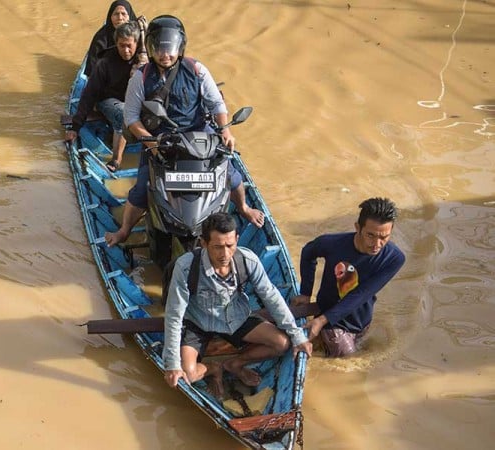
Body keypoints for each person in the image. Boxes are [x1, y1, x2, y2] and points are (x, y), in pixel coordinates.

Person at [104, 15, 264, 247]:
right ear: (150, 48)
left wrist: (225, 132)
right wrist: (151, 143)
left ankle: (244, 207)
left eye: (169, 49)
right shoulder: (140, 78)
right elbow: (131, 118)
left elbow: (216, 105)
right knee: (141, 189)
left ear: (179, 47)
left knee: (232, 176)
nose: (165, 54)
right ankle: (124, 230)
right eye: (159, 49)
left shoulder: (197, 70)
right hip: (160, 140)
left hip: (200, 136)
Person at [162, 212, 312, 398]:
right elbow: (174, 315)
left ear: (237, 240)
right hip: (198, 323)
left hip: (236, 319)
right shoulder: (186, 267)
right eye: (217, 247)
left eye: (230, 245)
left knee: (281, 343)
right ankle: (212, 368)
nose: (224, 254)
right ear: (204, 243)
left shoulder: (247, 260)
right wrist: (172, 364)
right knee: (187, 375)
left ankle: (235, 363)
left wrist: (297, 335)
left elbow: (271, 297)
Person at [292, 197, 406, 357]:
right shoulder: (333, 244)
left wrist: (321, 320)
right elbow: (308, 253)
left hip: (360, 321)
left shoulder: (394, 258)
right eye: (371, 235)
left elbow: (362, 294)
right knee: (345, 357)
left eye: (384, 237)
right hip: (328, 313)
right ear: (357, 228)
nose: (377, 244)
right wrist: (305, 293)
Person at [66, 22, 143, 172]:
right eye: (122, 46)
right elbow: (89, 94)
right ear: (116, 44)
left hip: (133, 99)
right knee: (123, 113)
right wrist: (75, 127)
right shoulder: (105, 63)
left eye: (129, 46)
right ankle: (116, 160)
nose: (126, 50)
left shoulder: (143, 61)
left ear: (137, 43)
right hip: (107, 100)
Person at [84, 1, 139, 77]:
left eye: (123, 14)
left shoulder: (139, 34)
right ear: (110, 17)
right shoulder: (101, 37)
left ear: (129, 16)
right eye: (116, 14)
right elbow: (92, 66)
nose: (120, 18)